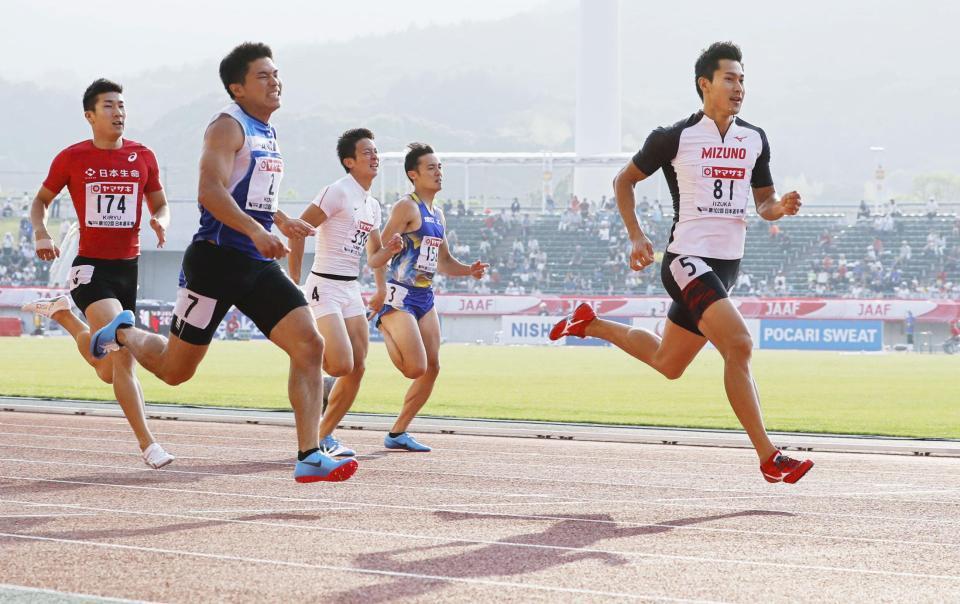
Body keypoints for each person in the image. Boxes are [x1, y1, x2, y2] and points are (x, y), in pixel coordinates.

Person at [90, 42, 356, 483]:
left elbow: (249, 196)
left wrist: (279, 221)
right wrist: (256, 230)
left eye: (276, 74)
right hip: (215, 261)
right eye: (263, 77)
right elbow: (210, 191)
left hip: (255, 262)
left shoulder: (267, 131)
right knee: (177, 371)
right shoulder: (227, 126)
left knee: (310, 344)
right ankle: (120, 330)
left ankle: (309, 453)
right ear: (237, 87)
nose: (275, 82)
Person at [550, 42, 813, 484]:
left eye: (743, 79)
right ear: (704, 84)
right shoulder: (674, 137)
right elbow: (624, 180)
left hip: (727, 267)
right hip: (686, 259)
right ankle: (769, 456)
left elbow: (763, 202)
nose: (739, 88)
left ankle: (589, 323)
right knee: (740, 345)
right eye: (730, 79)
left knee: (668, 362)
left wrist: (779, 208)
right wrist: (636, 234)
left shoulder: (754, 138)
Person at [21, 78, 174, 469]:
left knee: (109, 371)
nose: (118, 112)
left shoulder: (143, 156)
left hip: (129, 270)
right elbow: (40, 202)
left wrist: (159, 221)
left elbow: (160, 203)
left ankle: (65, 318)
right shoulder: (72, 157)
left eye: (121, 105)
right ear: (90, 115)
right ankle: (148, 445)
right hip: (91, 268)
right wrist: (40, 232)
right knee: (123, 357)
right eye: (109, 106)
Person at [287, 128, 402, 457]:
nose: (374, 156)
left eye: (376, 151)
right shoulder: (336, 192)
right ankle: (308, 363)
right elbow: (298, 231)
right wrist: (294, 283)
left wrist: (390, 253)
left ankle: (324, 435)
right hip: (323, 285)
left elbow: (375, 256)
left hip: (351, 288)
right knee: (338, 364)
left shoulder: (373, 205)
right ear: (349, 161)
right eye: (366, 152)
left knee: (358, 366)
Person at [374, 143, 488, 452]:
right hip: (400, 295)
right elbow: (379, 250)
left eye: (440, 167)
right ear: (413, 175)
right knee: (415, 369)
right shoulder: (405, 207)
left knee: (433, 367)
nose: (438, 173)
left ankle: (398, 433)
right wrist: (381, 289)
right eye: (431, 168)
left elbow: (444, 261)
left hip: (425, 296)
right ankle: (384, 325)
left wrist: (469, 271)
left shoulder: (437, 214)